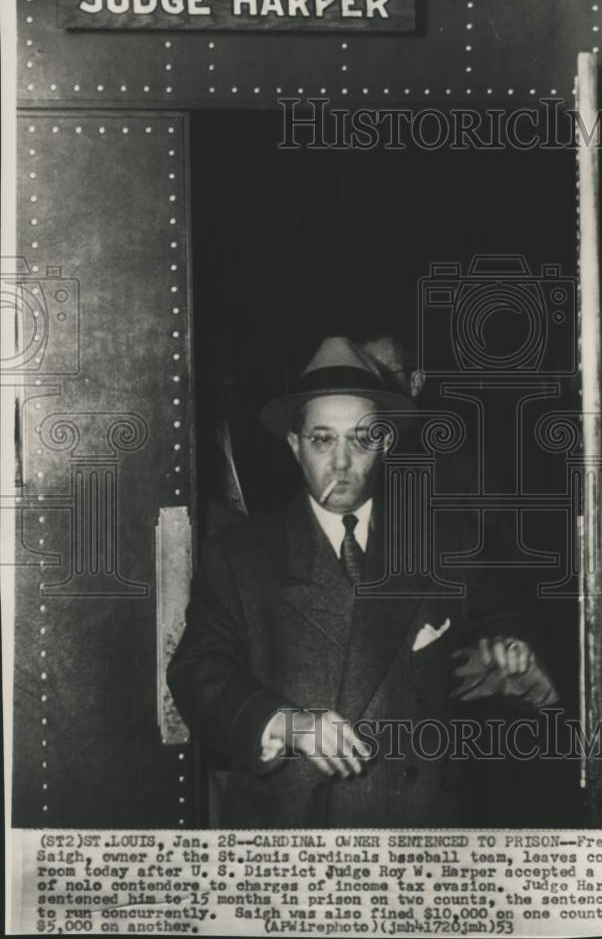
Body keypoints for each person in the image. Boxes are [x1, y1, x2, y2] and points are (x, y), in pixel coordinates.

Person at [168, 337, 556, 828]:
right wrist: (288, 723)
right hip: (290, 831)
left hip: (423, 832)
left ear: (387, 442)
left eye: (362, 438)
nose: (342, 462)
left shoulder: (447, 542)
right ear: (295, 445)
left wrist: (514, 651)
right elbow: (198, 671)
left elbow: (503, 624)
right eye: (323, 439)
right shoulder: (241, 555)